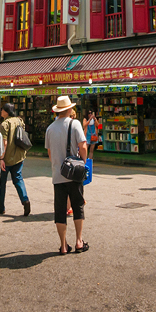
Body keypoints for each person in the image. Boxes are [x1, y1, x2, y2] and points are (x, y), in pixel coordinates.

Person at [44, 95, 88, 254]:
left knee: (60, 210)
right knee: (78, 206)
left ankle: (63, 245)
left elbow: (50, 153)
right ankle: (78, 241)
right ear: (69, 109)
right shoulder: (75, 124)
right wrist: (84, 163)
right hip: (75, 173)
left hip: (58, 175)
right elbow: (83, 146)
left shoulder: (50, 128)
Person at [0, 103, 30, 217]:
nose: (1, 111)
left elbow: (4, 143)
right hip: (19, 155)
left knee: (2, 183)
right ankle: (25, 200)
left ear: (6, 111)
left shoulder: (4, 124)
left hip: (7, 158)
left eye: (2, 110)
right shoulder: (19, 121)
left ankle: (1, 207)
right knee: (18, 179)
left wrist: (1, 158)